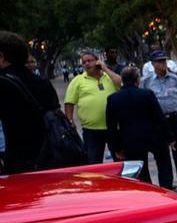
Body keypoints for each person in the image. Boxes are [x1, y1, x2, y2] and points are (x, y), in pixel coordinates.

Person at [0, 31, 59, 173]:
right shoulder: (43, 82)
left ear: (1, 57)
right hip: (48, 159)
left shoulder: (2, 84)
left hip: (14, 165)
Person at [106, 66, 173, 188]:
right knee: (164, 164)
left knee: (140, 170)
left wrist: (116, 147)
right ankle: (166, 188)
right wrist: (169, 137)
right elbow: (159, 117)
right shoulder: (147, 94)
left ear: (122, 80)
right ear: (137, 80)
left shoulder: (113, 99)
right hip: (153, 136)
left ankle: (148, 190)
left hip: (130, 139)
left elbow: (111, 126)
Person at [143, 50, 177, 183]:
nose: (163, 64)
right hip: (158, 120)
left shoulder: (174, 78)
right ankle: (167, 181)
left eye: (164, 61)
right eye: (159, 61)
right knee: (161, 150)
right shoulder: (147, 81)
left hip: (174, 117)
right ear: (153, 64)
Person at [65, 51, 122, 163]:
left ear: (97, 61)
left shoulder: (109, 76)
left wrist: (105, 69)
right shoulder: (78, 80)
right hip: (91, 130)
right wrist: (69, 121)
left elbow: (121, 83)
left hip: (114, 127)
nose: (86, 64)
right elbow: (69, 103)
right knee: (93, 161)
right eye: (84, 62)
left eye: (89, 61)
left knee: (120, 160)